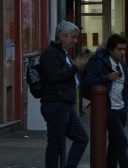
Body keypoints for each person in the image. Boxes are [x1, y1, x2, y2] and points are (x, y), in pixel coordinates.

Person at [39, 21, 89, 168]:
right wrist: (75, 67)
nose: (75, 41)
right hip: (55, 104)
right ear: (62, 36)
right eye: (73, 37)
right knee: (56, 145)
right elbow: (54, 76)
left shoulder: (63, 54)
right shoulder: (50, 54)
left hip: (65, 104)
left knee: (81, 138)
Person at [81, 34, 128, 168]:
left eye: (124, 49)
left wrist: (126, 106)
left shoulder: (122, 64)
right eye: (119, 49)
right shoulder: (100, 62)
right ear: (110, 50)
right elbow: (87, 82)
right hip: (109, 109)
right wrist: (106, 78)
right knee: (122, 141)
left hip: (121, 109)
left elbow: (127, 87)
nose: (122, 52)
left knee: (114, 144)